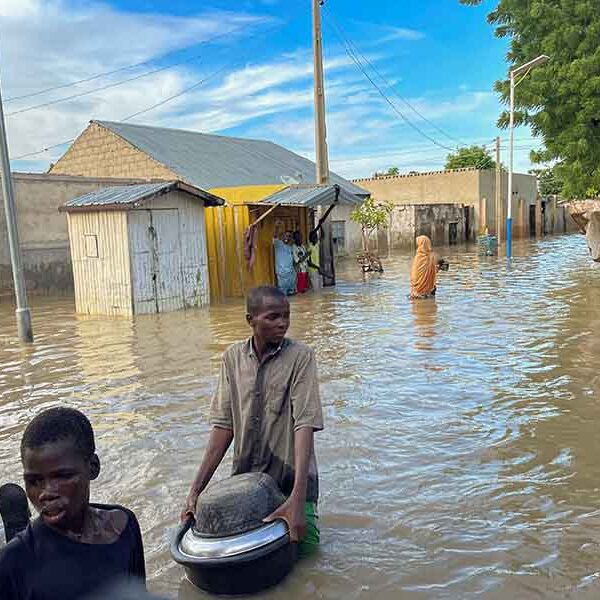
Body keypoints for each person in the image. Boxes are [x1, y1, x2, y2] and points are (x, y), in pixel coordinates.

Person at [181, 286, 324, 556]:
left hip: (291, 481)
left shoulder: (301, 357)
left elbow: (304, 424)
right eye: (272, 317)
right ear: (251, 320)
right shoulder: (232, 358)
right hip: (245, 486)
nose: (282, 323)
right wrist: (195, 491)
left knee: (309, 557)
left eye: (286, 316)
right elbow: (224, 426)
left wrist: (297, 499)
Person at [0, 407, 146, 600]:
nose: (46, 493)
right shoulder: (13, 561)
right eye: (35, 481)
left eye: (62, 476)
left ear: (93, 467)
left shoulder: (123, 524)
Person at [410, 235, 440, 299]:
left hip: (417, 294)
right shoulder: (432, 257)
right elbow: (435, 271)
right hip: (430, 293)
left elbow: (414, 276)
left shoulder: (418, 258)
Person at [273, 230, 296, 296]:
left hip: (291, 274)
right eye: (286, 236)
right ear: (282, 236)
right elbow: (274, 236)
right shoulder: (278, 244)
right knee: (283, 295)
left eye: (289, 236)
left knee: (292, 294)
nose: (287, 238)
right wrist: (276, 228)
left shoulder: (291, 247)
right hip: (282, 275)